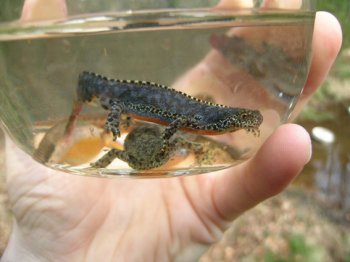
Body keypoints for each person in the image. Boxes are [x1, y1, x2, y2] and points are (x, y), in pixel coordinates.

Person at [1, 0, 342, 261]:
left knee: (212, 116)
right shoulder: (115, 100)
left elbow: (196, 121)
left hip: (172, 109)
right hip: (139, 101)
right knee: (137, 107)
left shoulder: (207, 118)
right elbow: (171, 121)